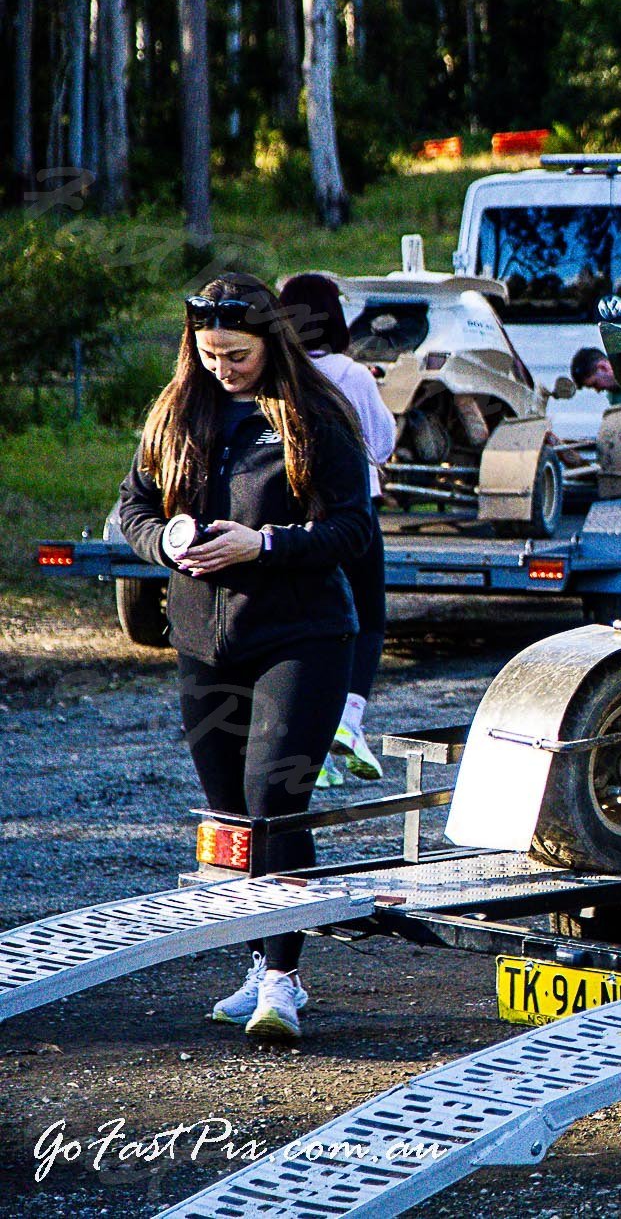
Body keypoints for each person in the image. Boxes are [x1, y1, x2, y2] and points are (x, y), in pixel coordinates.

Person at [118, 273, 375, 1041]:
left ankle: (284, 978)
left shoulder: (314, 415)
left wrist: (263, 544)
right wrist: (160, 539)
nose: (223, 367)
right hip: (202, 640)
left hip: (301, 638)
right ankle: (255, 959)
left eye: (237, 353)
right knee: (226, 814)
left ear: (271, 342)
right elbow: (132, 505)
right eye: (209, 352)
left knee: (274, 800)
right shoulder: (177, 410)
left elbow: (354, 532)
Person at [279, 272, 396, 787]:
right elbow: (382, 441)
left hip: (293, 515)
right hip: (353, 513)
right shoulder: (351, 374)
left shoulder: (277, 374)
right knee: (366, 620)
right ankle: (347, 722)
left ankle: (311, 744)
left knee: (309, 626)